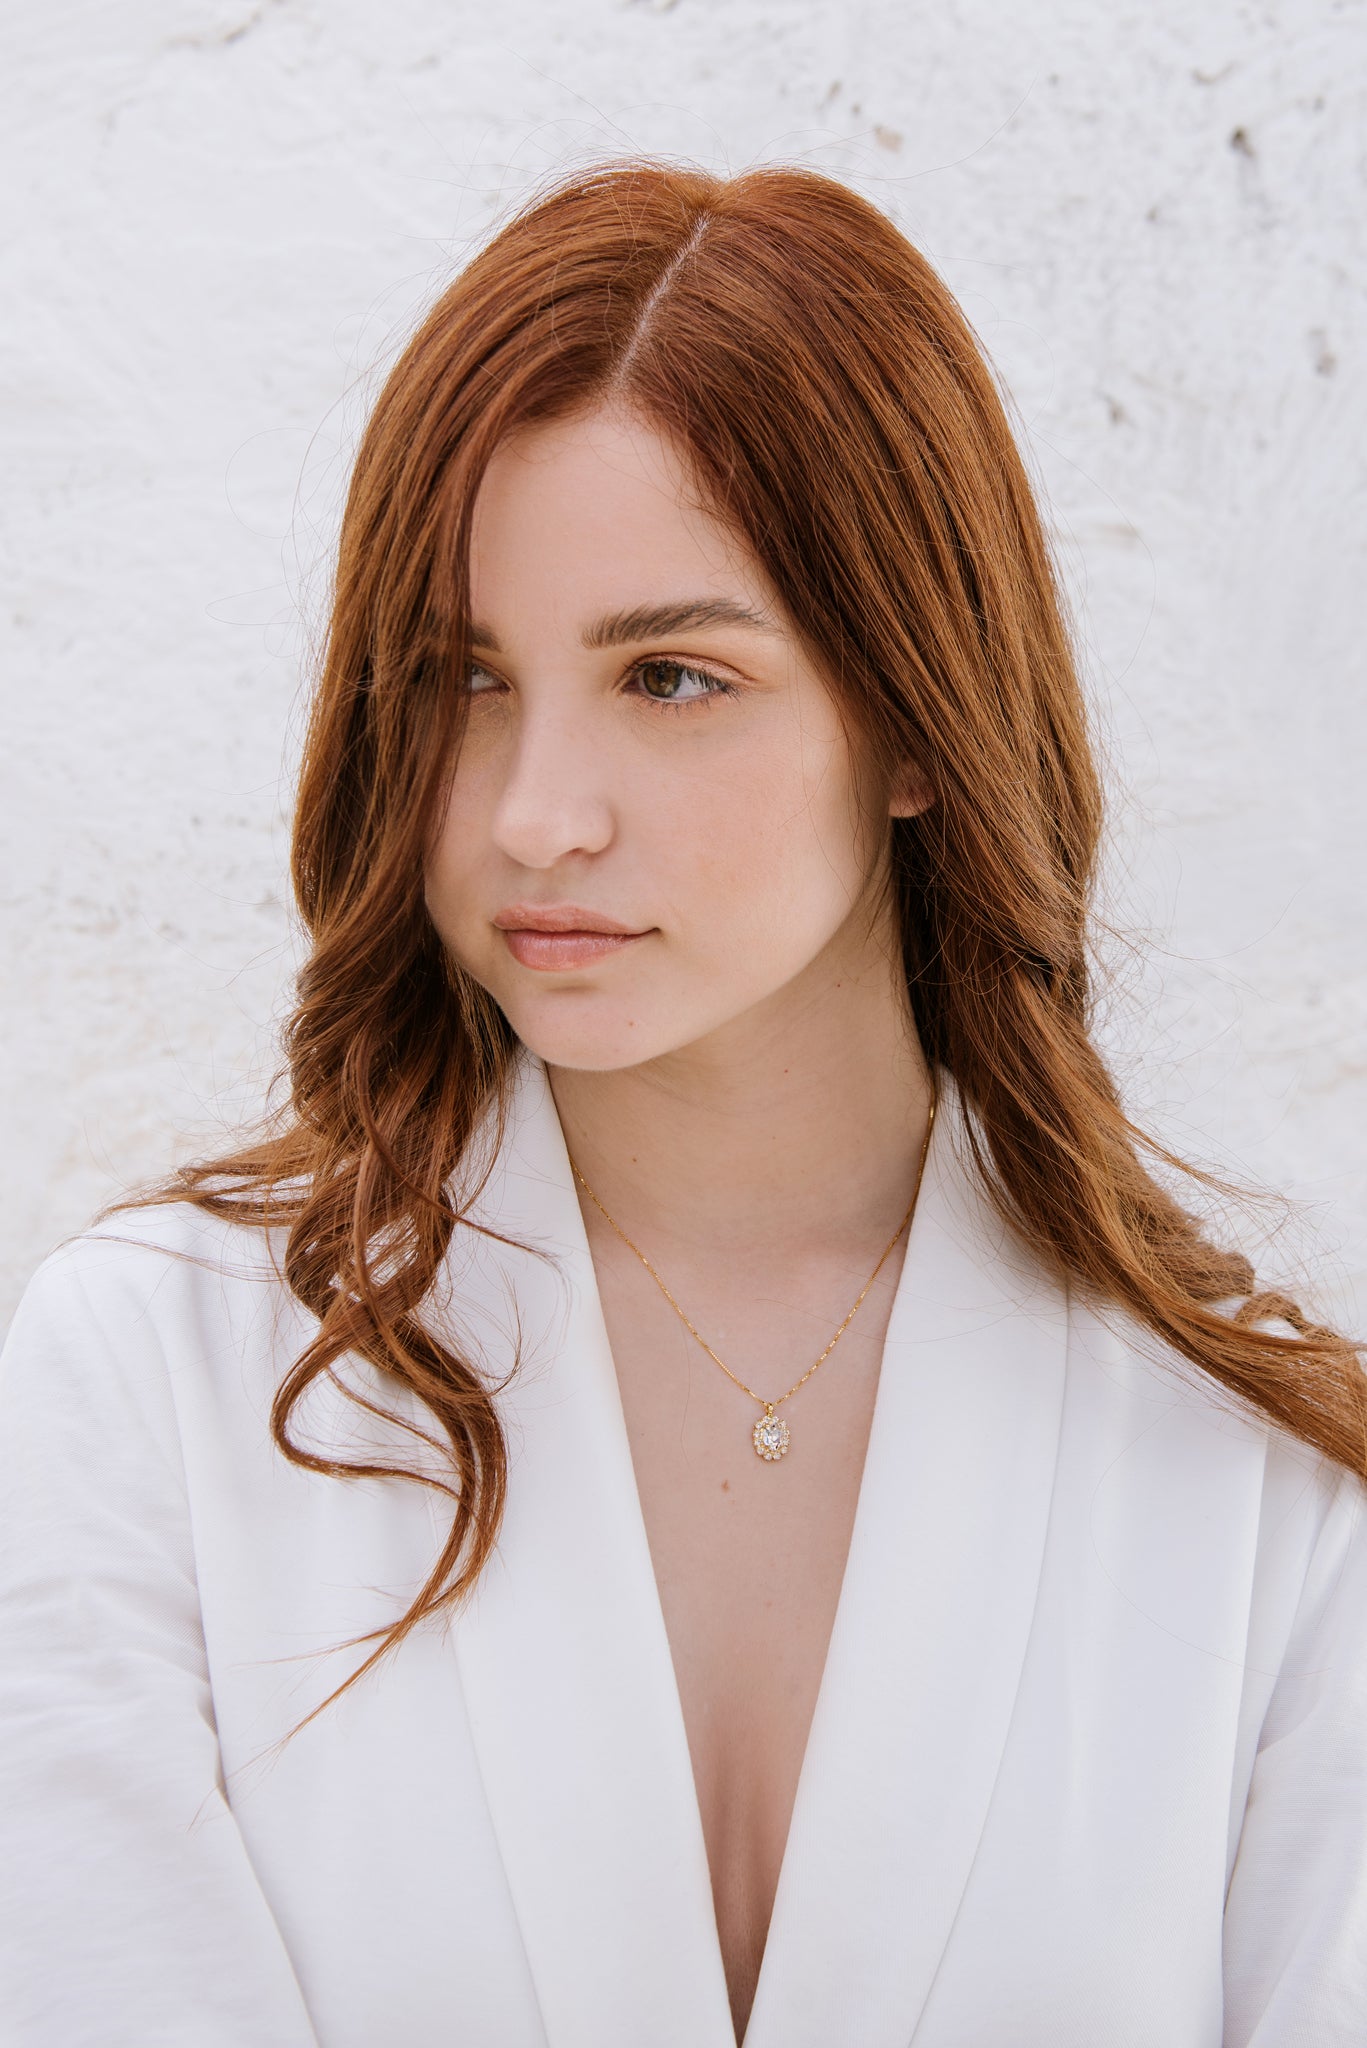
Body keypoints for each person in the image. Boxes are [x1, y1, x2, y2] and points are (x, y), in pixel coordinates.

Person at [2, 158, 1365, 2048]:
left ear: (916, 715)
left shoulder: (1267, 1497)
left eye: (669, 675)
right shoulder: (155, 1385)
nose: (534, 814)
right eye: (463, 678)